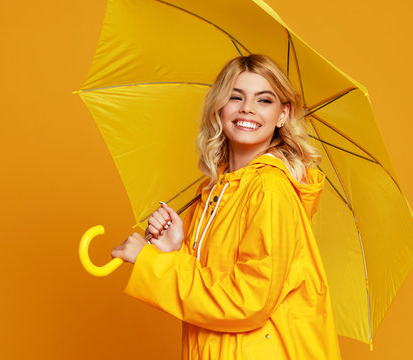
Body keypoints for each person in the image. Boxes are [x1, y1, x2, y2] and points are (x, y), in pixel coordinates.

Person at [111, 54, 341, 359]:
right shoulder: (212, 190)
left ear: (283, 115)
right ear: (219, 106)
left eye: (264, 100)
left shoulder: (269, 189)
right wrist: (174, 250)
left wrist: (150, 263)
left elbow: (246, 301)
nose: (247, 108)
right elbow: (208, 291)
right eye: (236, 96)